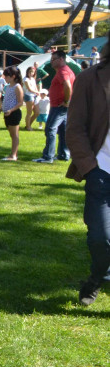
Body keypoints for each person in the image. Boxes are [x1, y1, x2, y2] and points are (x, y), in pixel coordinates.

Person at [67, 41, 110, 306]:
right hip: (101, 173)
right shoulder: (90, 78)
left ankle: (96, 278)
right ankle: (97, 275)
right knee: (100, 237)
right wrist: (89, 167)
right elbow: (74, 127)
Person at [34, 50, 75, 164]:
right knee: (63, 130)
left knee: (50, 129)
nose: (51, 62)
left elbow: (67, 86)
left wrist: (66, 101)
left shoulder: (63, 72)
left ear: (61, 59)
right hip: (62, 105)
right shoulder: (67, 70)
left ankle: (48, 156)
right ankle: (63, 154)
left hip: (59, 106)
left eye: (53, 59)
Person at [0, 66, 25, 161]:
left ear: (13, 76)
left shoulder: (17, 87)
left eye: (6, 76)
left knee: (14, 135)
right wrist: (0, 110)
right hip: (7, 113)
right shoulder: (8, 86)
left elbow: (20, 103)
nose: (5, 78)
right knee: (12, 135)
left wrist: (11, 110)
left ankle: (14, 155)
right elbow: (6, 100)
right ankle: (13, 153)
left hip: (14, 113)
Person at [23, 66, 39, 131]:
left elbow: (35, 87)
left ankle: (28, 124)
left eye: (33, 72)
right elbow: (29, 89)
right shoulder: (25, 79)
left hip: (35, 96)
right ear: (27, 72)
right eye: (30, 72)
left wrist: (37, 92)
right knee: (29, 112)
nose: (31, 73)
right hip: (29, 96)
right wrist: (37, 92)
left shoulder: (32, 79)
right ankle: (28, 127)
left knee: (37, 112)